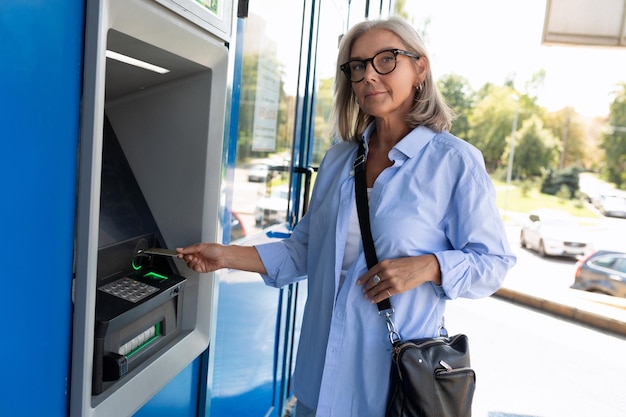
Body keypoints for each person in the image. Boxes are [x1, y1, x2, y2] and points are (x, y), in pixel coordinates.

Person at [178, 16, 516, 417]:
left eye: (386, 60)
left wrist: (428, 267)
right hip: (320, 382)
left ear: (419, 68)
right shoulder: (340, 161)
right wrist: (226, 256)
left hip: (394, 390)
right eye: (358, 66)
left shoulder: (454, 162)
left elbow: (493, 263)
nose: (369, 75)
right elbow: (305, 250)